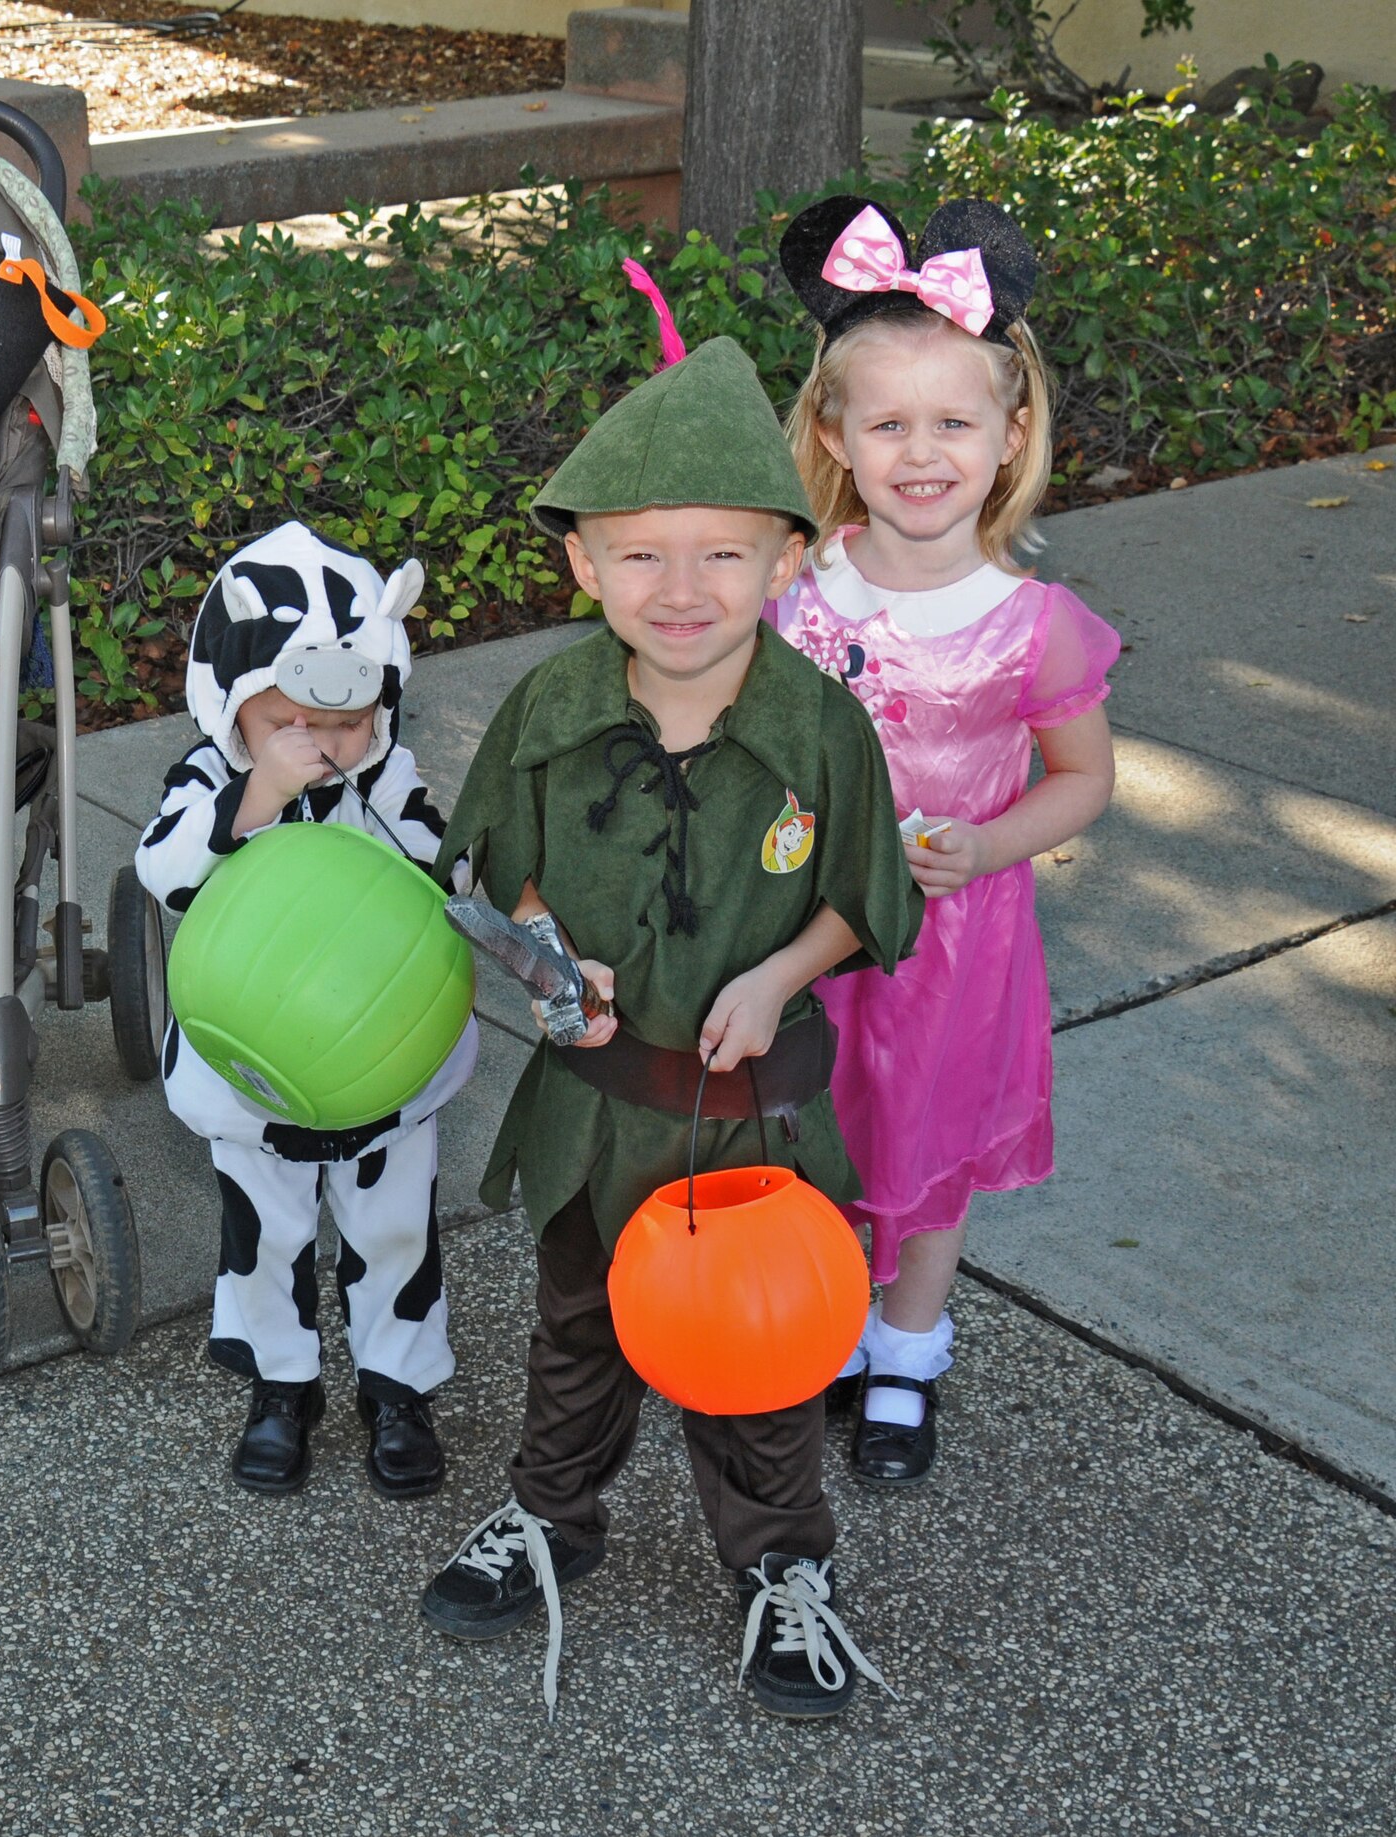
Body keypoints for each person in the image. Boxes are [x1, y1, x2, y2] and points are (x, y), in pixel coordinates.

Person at [418, 334, 923, 1720]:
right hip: (597, 1110)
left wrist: (777, 979)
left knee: (755, 1357)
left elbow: (868, 902)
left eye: (722, 554)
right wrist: (549, 951)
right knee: (577, 1327)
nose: (682, 590)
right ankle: (549, 1513)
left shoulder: (821, 731)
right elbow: (497, 867)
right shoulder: (547, 710)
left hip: (752, 1120)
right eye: (641, 556)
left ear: (782, 561)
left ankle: (781, 1569)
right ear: (582, 566)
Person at [769, 196, 1118, 1487]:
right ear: (836, 434)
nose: (923, 453)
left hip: (956, 947)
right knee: (820, 1130)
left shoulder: (1038, 623)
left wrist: (986, 841)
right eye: (890, 423)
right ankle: (822, 1328)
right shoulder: (797, 592)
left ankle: (905, 1350)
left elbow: (1084, 781)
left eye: (954, 422)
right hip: (813, 936)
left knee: (924, 1153)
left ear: (1009, 433)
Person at [135, 522, 479, 1501]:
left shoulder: (387, 781)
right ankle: (280, 1386)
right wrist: (256, 793)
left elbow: (440, 868)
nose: (324, 746)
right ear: (233, 708)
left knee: (393, 1231)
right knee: (264, 1236)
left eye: (348, 721)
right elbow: (162, 869)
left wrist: (465, 877)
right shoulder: (211, 784)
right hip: (255, 1077)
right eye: (290, 723)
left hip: (383, 1076)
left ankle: (397, 1386)